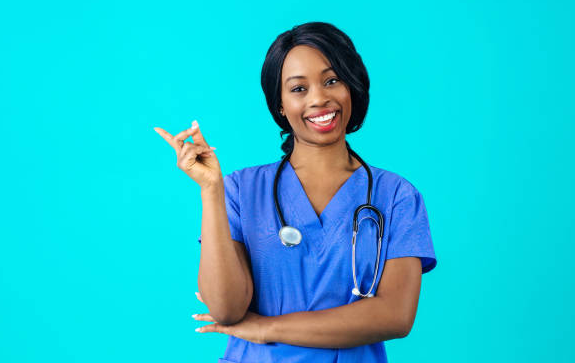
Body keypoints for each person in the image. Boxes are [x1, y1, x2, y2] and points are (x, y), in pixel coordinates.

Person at [154, 22, 437, 363]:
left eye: (332, 80)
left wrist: (267, 329)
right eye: (298, 89)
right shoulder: (240, 191)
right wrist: (211, 190)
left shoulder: (395, 196)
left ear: (353, 87)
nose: (319, 98)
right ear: (280, 105)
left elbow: (395, 315)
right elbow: (227, 309)